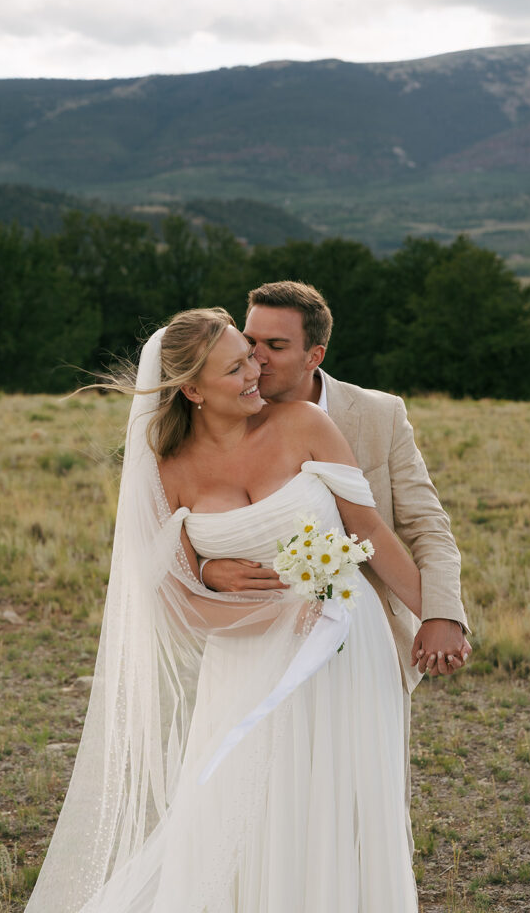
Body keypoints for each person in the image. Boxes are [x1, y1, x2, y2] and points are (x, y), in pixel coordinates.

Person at [25, 307, 423, 913]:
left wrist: (439, 617)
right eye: (236, 366)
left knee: (345, 799)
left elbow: (371, 531)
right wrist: (258, 605)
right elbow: (178, 602)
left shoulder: (305, 424)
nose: (255, 371)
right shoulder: (167, 474)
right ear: (191, 389)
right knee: (250, 809)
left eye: (254, 357)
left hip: (346, 643)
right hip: (244, 662)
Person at [200, 281, 471, 853]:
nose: (255, 358)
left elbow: (425, 525)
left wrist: (441, 614)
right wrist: (207, 571)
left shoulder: (377, 415)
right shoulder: (221, 413)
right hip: (254, 640)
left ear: (314, 355)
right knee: (263, 805)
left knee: (361, 803)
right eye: (249, 342)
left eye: (274, 344)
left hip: (365, 639)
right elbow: (181, 524)